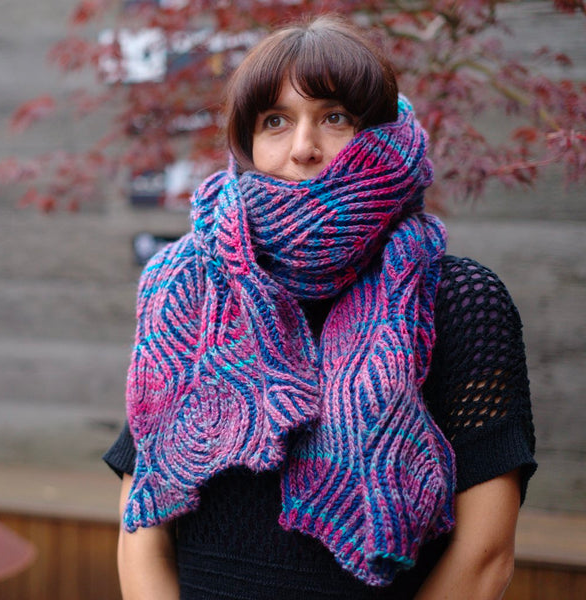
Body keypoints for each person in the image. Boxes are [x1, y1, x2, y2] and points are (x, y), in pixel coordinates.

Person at [104, 14, 537, 600]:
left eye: (335, 117)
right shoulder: (185, 292)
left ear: (379, 135)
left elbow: (485, 557)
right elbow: (142, 529)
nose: (304, 148)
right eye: (275, 121)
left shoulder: (458, 301)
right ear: (249, 145)